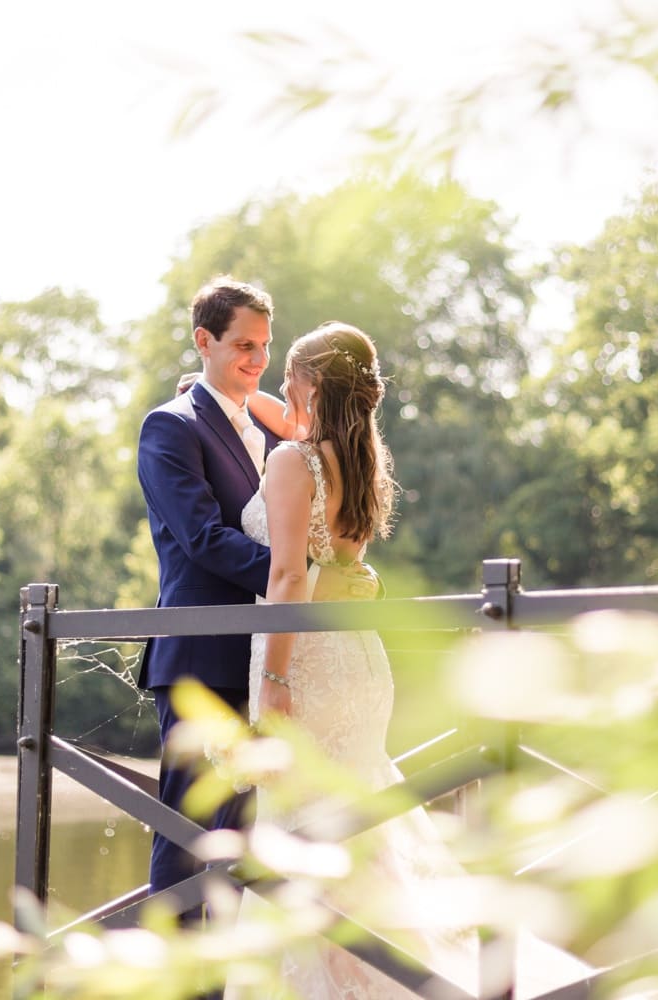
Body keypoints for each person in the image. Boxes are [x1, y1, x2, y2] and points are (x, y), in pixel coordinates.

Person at [229, 322, 476, 999]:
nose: (280, 386)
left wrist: (275, 677)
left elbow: (285, 576)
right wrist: (220, 395)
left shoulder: (292, 462)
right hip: (360, 661)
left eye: (291, 377)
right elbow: (287, 423)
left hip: (305, 659)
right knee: (353, 831)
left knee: (300, 837)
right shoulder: (362, 459)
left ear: (315, 384)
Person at [136, 277, 280, 903]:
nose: (257, 360)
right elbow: (203, 538)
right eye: (244, 345)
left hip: (265, 659)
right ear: (204, 340)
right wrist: (298, 581)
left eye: (265, 346)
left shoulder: (271, 431)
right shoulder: (170, 428)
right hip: (200, 659)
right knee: (189, 832)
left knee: (249, 831)